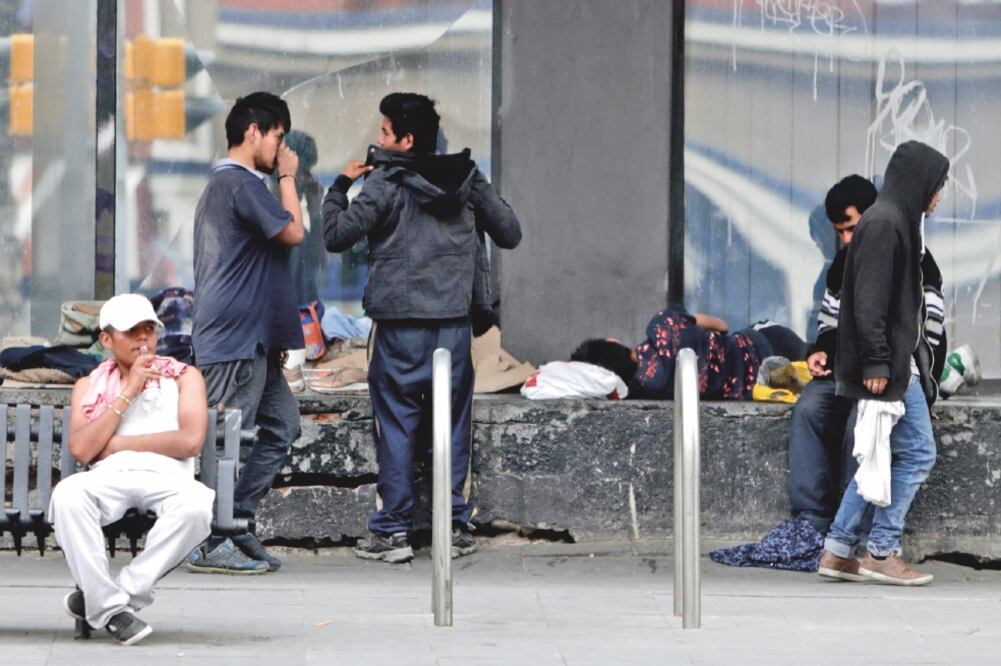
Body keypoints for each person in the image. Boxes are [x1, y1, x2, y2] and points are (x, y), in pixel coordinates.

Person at [323, 92, 522, 563]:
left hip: (397, 329)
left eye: (385, 132)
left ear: (407, 140)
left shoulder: (385, 183)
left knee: (395, 426)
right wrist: (481, 193)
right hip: (452, 327)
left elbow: (335, 236)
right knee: (451, 425)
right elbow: (510, 232)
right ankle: (451, 527)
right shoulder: (467, 179)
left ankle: (391, 532)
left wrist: (338, 186)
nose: (377, 140)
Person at [818, 140, 949, 586]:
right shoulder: (887, 222)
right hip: (888, 366)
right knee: (917, 452)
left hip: (894, 362)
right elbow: (868, 302)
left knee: (880, 456)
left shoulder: (896, 221)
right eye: (937, 185)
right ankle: (880, 549)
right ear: (920, 182)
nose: (938, 195)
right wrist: (875, 363)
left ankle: (837, 551)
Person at [49, 294, 214, 646]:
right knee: (67, 495)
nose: (143, 339)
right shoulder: (89, 386)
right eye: (131, 331)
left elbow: (189, 442)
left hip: (169, 476)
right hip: (111, 476)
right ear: (107, 339)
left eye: (148, 329)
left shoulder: (185, 377)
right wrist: (129, 390)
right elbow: (82, 449)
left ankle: (107, 600)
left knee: (198, 506)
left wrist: (120, 443)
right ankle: (111, 612)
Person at [185, 92, 305, 574]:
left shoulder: (235, 186)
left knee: (280, 427)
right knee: (229, 441)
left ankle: (236, 523)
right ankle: (214, 539)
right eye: (279, 137)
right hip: (232, 340)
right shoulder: (239, 182)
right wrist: (289, 177)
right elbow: (293, 232)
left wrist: (274, 340)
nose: (282, 148)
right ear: (253, 131)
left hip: (253, 340)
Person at [789, 176, 947, 534]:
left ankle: (852, 529)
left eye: (851, 228)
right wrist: (823, 354)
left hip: (891, 376)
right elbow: (829, 321)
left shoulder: (914, 255)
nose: (845, 239)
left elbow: (931, 329)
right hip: (849, 373)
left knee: (858, 428)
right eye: (839, 232)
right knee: (809, 410)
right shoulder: (841, 264)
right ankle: (811, 520)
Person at [570, 306, 807, 400]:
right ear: (614, 341)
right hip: (769, 344)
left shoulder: (640, 392)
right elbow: (722, 326)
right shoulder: (663, 325)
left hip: (759, 389)